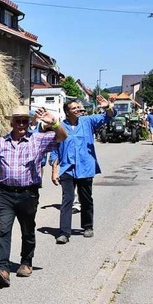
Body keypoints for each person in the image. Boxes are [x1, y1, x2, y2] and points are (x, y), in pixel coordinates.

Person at [0, 106, 66, 287]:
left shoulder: (38, 140)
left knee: (27, 230)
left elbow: (61, 137)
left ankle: (26, 262)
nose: (21, 124)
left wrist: (55, 123)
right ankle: (3, 268)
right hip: (5, 193)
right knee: (3, 230)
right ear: (11, 122)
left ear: (29, 123)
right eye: (18, 121)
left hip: (28, 194)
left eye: (25, 121)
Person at [51, 96, 115, 244]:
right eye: (74, 108)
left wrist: (107, 107)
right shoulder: (60, 126)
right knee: (67, 200)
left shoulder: (88, 121)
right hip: (67, 168)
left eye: (79, 108)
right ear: (67, 112)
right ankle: (64, 233)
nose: (78, 110)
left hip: (85, 167)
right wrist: (54, 169)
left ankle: (87, 226)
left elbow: (109, 116)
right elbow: (55, 148)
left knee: (86, 198)